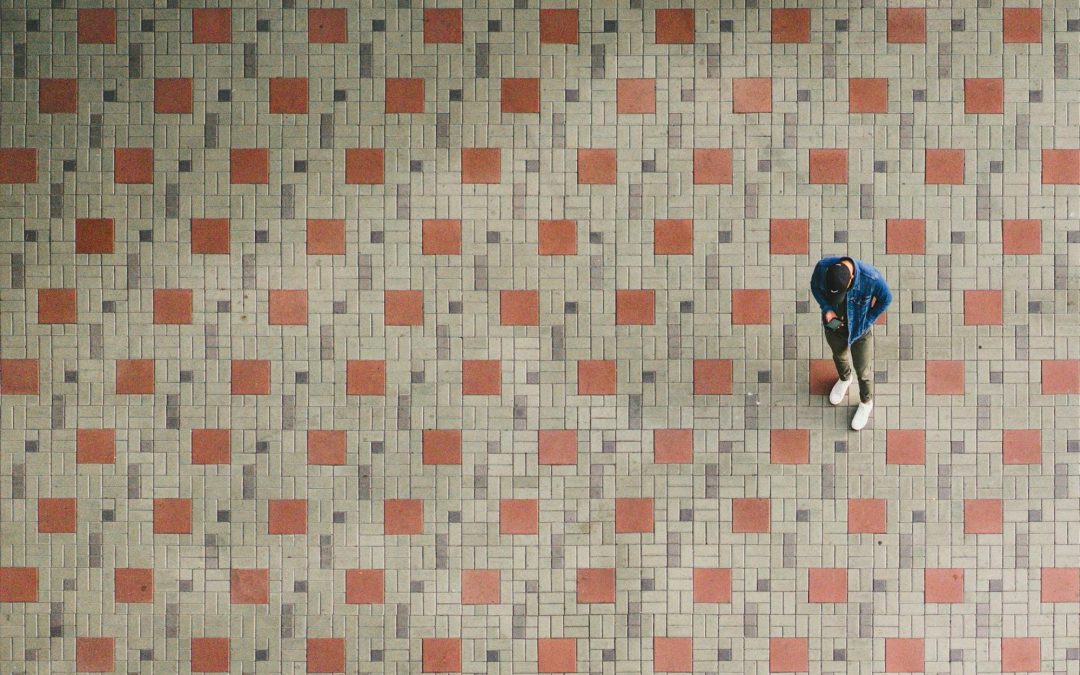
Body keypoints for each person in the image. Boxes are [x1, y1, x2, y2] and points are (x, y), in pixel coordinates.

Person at [810, 256, 893, 431]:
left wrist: (867, 320)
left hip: (859, 331)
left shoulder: (871, 278)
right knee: (838, 355)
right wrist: (827, 308)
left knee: (863, 370)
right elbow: (815, 287)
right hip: (833, 326)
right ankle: (845, 378)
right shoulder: (823, 268)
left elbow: (886, 298)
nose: (837, 298)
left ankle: (866, 402)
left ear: (851, 280)